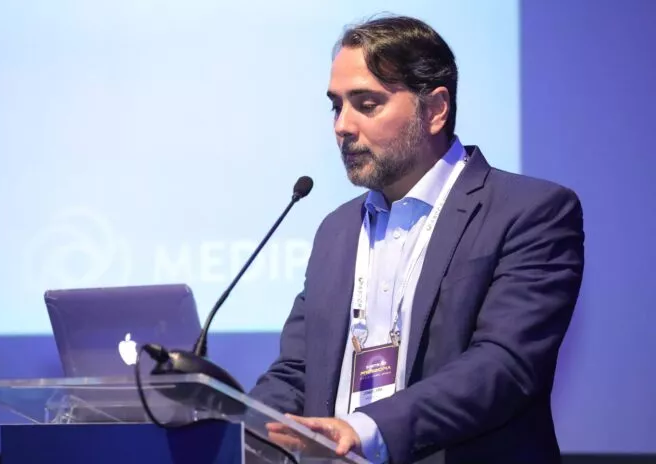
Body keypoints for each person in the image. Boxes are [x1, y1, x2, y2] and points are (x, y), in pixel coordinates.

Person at [249, 14, 584, 464]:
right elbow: (297, 370)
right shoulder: (336, 229)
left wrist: (363, 430)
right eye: (336, 106)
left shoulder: (529, 211)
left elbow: (504, 365)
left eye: (366, 104)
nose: (342, 126)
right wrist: (241, 427)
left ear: (435, 109)